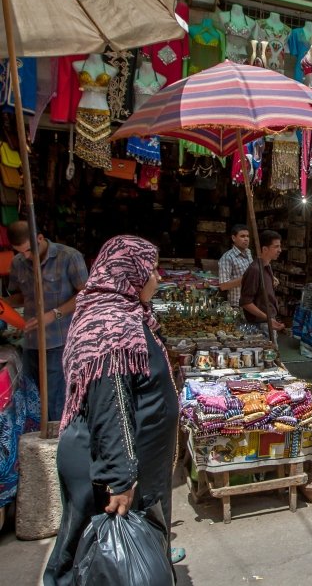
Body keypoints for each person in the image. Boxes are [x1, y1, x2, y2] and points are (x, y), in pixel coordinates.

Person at [44, 236, 181, 585]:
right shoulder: (112, 326)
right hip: (111, 464)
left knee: (104, 552)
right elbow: (110, 404)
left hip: (123, 457)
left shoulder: (120, 315)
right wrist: (120, 479)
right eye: (151, 270)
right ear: (129, 273)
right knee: (97, 555)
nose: (157, 278)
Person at [7, 221, 88, 421]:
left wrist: (54, 314)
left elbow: (86, 294)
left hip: (59, 341)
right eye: (20, 251)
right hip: (31, 342)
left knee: (54, 400)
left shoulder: (69, 257)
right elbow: (19, 296)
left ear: (40, 239)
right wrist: (4, 304)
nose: (25, 256)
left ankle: (56, 444)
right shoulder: (18, 263)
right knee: (31, 395)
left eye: (28, 250)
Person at [239, 230, 284, 336]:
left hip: (267, 321)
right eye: (276, 247)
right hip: (260, 325)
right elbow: (246, 302)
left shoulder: (267, 267)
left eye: (280, 246)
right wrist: (267, 318)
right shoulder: (255, 270)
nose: (280, 250)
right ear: (264, 249)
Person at [218, 224, 252, 307]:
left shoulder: (248, 252)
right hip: (237, 305)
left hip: (251, 303)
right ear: (234, 238)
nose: (246, 239)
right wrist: (247, 277)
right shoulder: (227, 257)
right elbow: (223, 285)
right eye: (242, 236)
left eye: (247, 236)